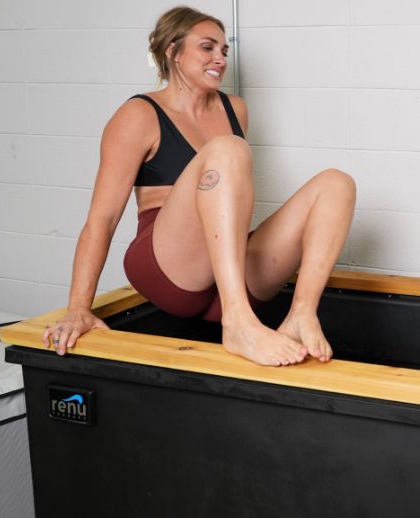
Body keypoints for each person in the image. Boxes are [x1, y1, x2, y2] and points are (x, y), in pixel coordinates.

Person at [41, 6, 356, 367]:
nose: (219, 59)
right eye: (207, 48)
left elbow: (225, 198)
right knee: (227, 149)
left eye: (224, 51)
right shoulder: (139, 115)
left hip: (226, 273)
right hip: (168, 267)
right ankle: (237, 322)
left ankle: (301, 315)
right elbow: (103, 218)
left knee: (336, 184)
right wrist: (78, 308)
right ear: (172, 51)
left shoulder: (234, 109)